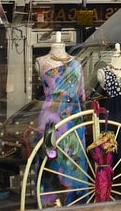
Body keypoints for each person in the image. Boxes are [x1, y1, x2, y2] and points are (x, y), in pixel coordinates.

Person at [36, 32, 87, 206]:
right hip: (53, 120)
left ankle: (76, 202)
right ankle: (50, 203)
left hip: (73, 120)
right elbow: (81, 95)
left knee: (74, 162)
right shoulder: (41, 61)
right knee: (51, 160)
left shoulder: (77, 63)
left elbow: (81, 94)